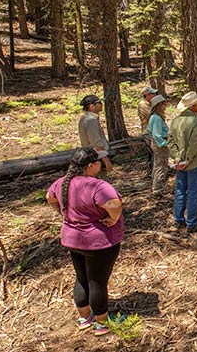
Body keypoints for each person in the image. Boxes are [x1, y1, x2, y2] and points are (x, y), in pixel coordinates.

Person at [46, 147, 124, 336]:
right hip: (98, 241)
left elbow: (49, 198)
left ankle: (84, 317)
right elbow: (114, 204)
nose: (100, 164)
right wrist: (113, 219)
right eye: (98, 162)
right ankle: (102, 323)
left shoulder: (62, 183)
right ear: (90, 165)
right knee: (97, 281)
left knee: (82, 277)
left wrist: (63, 213)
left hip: (73, 240)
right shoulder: (96, 185)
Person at [168, 92, 197, 233]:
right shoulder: (196, 122)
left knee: (180, 191)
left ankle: (178, 220)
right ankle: (191, 223)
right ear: (193, 105)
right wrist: (188, 159)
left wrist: (177, 158)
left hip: (179, 164)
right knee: (193, 193)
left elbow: (170, 141)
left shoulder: (175, 121)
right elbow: (194, 143)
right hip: (193, 163)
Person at [78, 95, 112, 170]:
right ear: (92, 106)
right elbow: (96, 144)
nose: (101, 104)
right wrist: (106, 161)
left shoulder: (85, 118)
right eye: (99, 103)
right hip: (97, 159)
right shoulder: (91, 121)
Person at [147, 95, 170, 194]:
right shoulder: (156, 118)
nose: (165, 106)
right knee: (161, 165)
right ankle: (158, 188)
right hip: (160, 145)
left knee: (157, 165)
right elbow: (156, 135)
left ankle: (155, 186)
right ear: (158, 106)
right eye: (163, 104)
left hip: (158, 144)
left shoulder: (155, 117)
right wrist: (164, 143)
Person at [139, 87, 159, 172]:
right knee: (153, 152)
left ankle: (152, 171)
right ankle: (153, 171)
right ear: (146, 95)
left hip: (152, 131)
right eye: (152, 94)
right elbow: (152, 115)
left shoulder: (150, 104)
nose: (154, 96)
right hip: (147, 131)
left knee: (153, 153)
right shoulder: (143, 104)